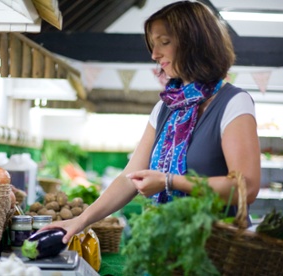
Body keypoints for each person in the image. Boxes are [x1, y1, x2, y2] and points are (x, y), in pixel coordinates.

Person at [44, 0, 261, 244]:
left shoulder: (233, 102)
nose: (154, 54)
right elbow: (129, 178)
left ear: (194, 42)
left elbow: (246, 188)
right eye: (153, 44)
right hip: (164, 245)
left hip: (215, 250)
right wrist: (80, 221)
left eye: (164, 43)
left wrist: (169, 181)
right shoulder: (165, 107)